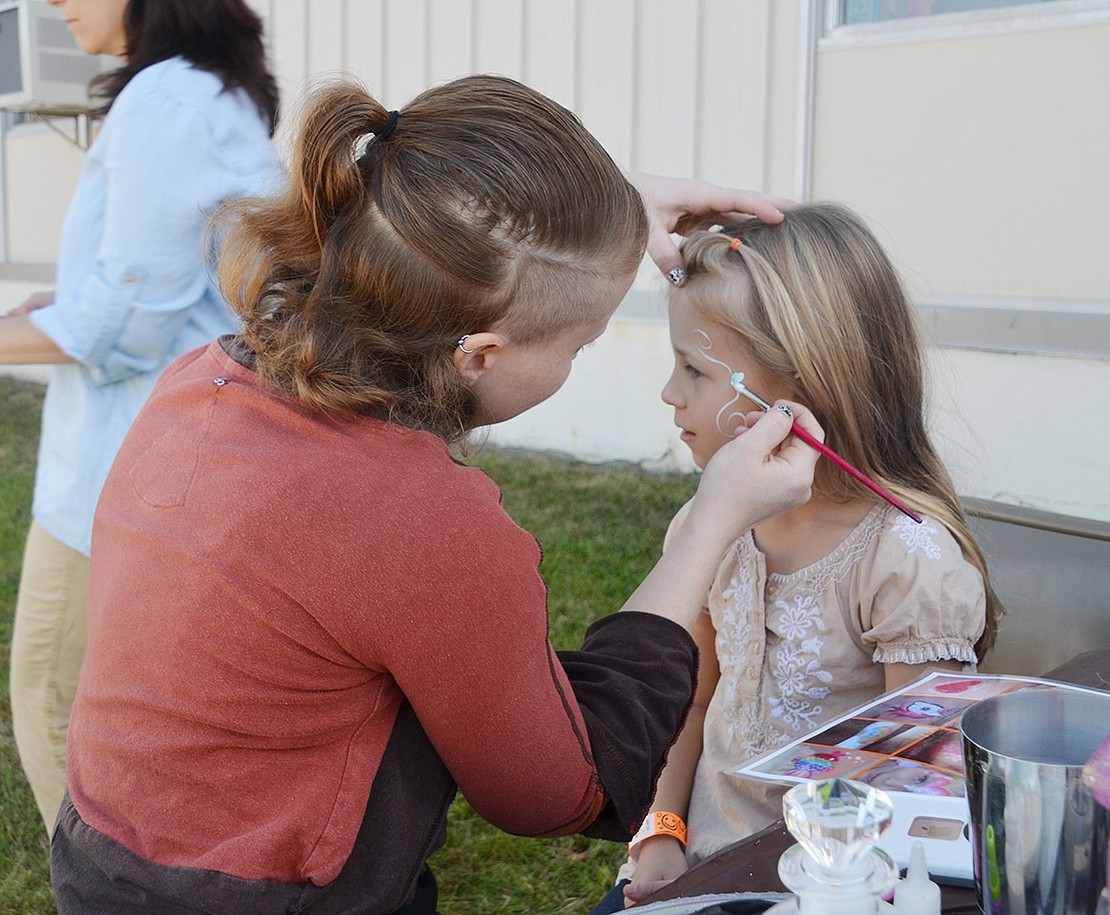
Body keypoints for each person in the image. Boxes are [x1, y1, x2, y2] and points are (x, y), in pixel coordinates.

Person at [48, 74, 822, 914]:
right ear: (480, 355)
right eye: (580, 345)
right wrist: (710, 521)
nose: (575, 361)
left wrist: (607, 221)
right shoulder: (415, 520)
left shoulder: (203, 380)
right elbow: (557, 791)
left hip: (103, 859)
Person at [593, 202, 1004, 911]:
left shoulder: (905, 562)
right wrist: (661, 833)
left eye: (694, 368)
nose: (669, 392)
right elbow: (690, 699)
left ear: (798, 392)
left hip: (833, 888)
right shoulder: (708, 526)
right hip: (701, 867)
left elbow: (917, 785)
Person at [0, 0, 283, 834]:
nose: (51, 1)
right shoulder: (211, 93)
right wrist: (67, 301)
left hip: (122, 475)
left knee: (53, 700)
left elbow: (124, 328)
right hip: (194, 464)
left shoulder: (163, 103)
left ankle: (103, 890)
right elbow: (182, 287)